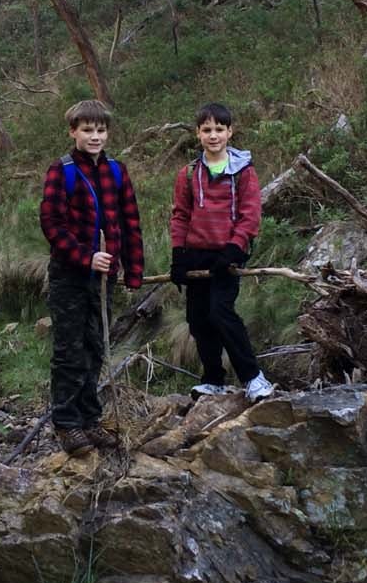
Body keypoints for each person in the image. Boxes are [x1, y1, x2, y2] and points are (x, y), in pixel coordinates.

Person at [39, 99, 144, 455]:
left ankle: (89, 418)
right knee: (69, 349)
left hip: (105, 278)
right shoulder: (62, 171)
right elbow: (52, 224)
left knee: (96, 345)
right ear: (73, 132)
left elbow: (130, 222)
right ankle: (67, 424)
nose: (95, 136)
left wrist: (133, 270)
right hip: (70, 275)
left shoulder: (117, 171)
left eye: (100, 130)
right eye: (87, 130)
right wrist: (86, 256)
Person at [169, 102, 275, 402]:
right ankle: (213, 379)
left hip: (227, 255)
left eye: (219, 129)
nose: (213, 135)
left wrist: (234, 247)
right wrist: (178, 253)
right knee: (198, 319)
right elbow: (180, 215)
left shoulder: (244, 172)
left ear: (230, 132)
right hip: (196, 256)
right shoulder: (188, 174)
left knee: (221, 312)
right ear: (198, 134)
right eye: (206, 130)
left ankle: (254, 378)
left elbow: (250, 214)